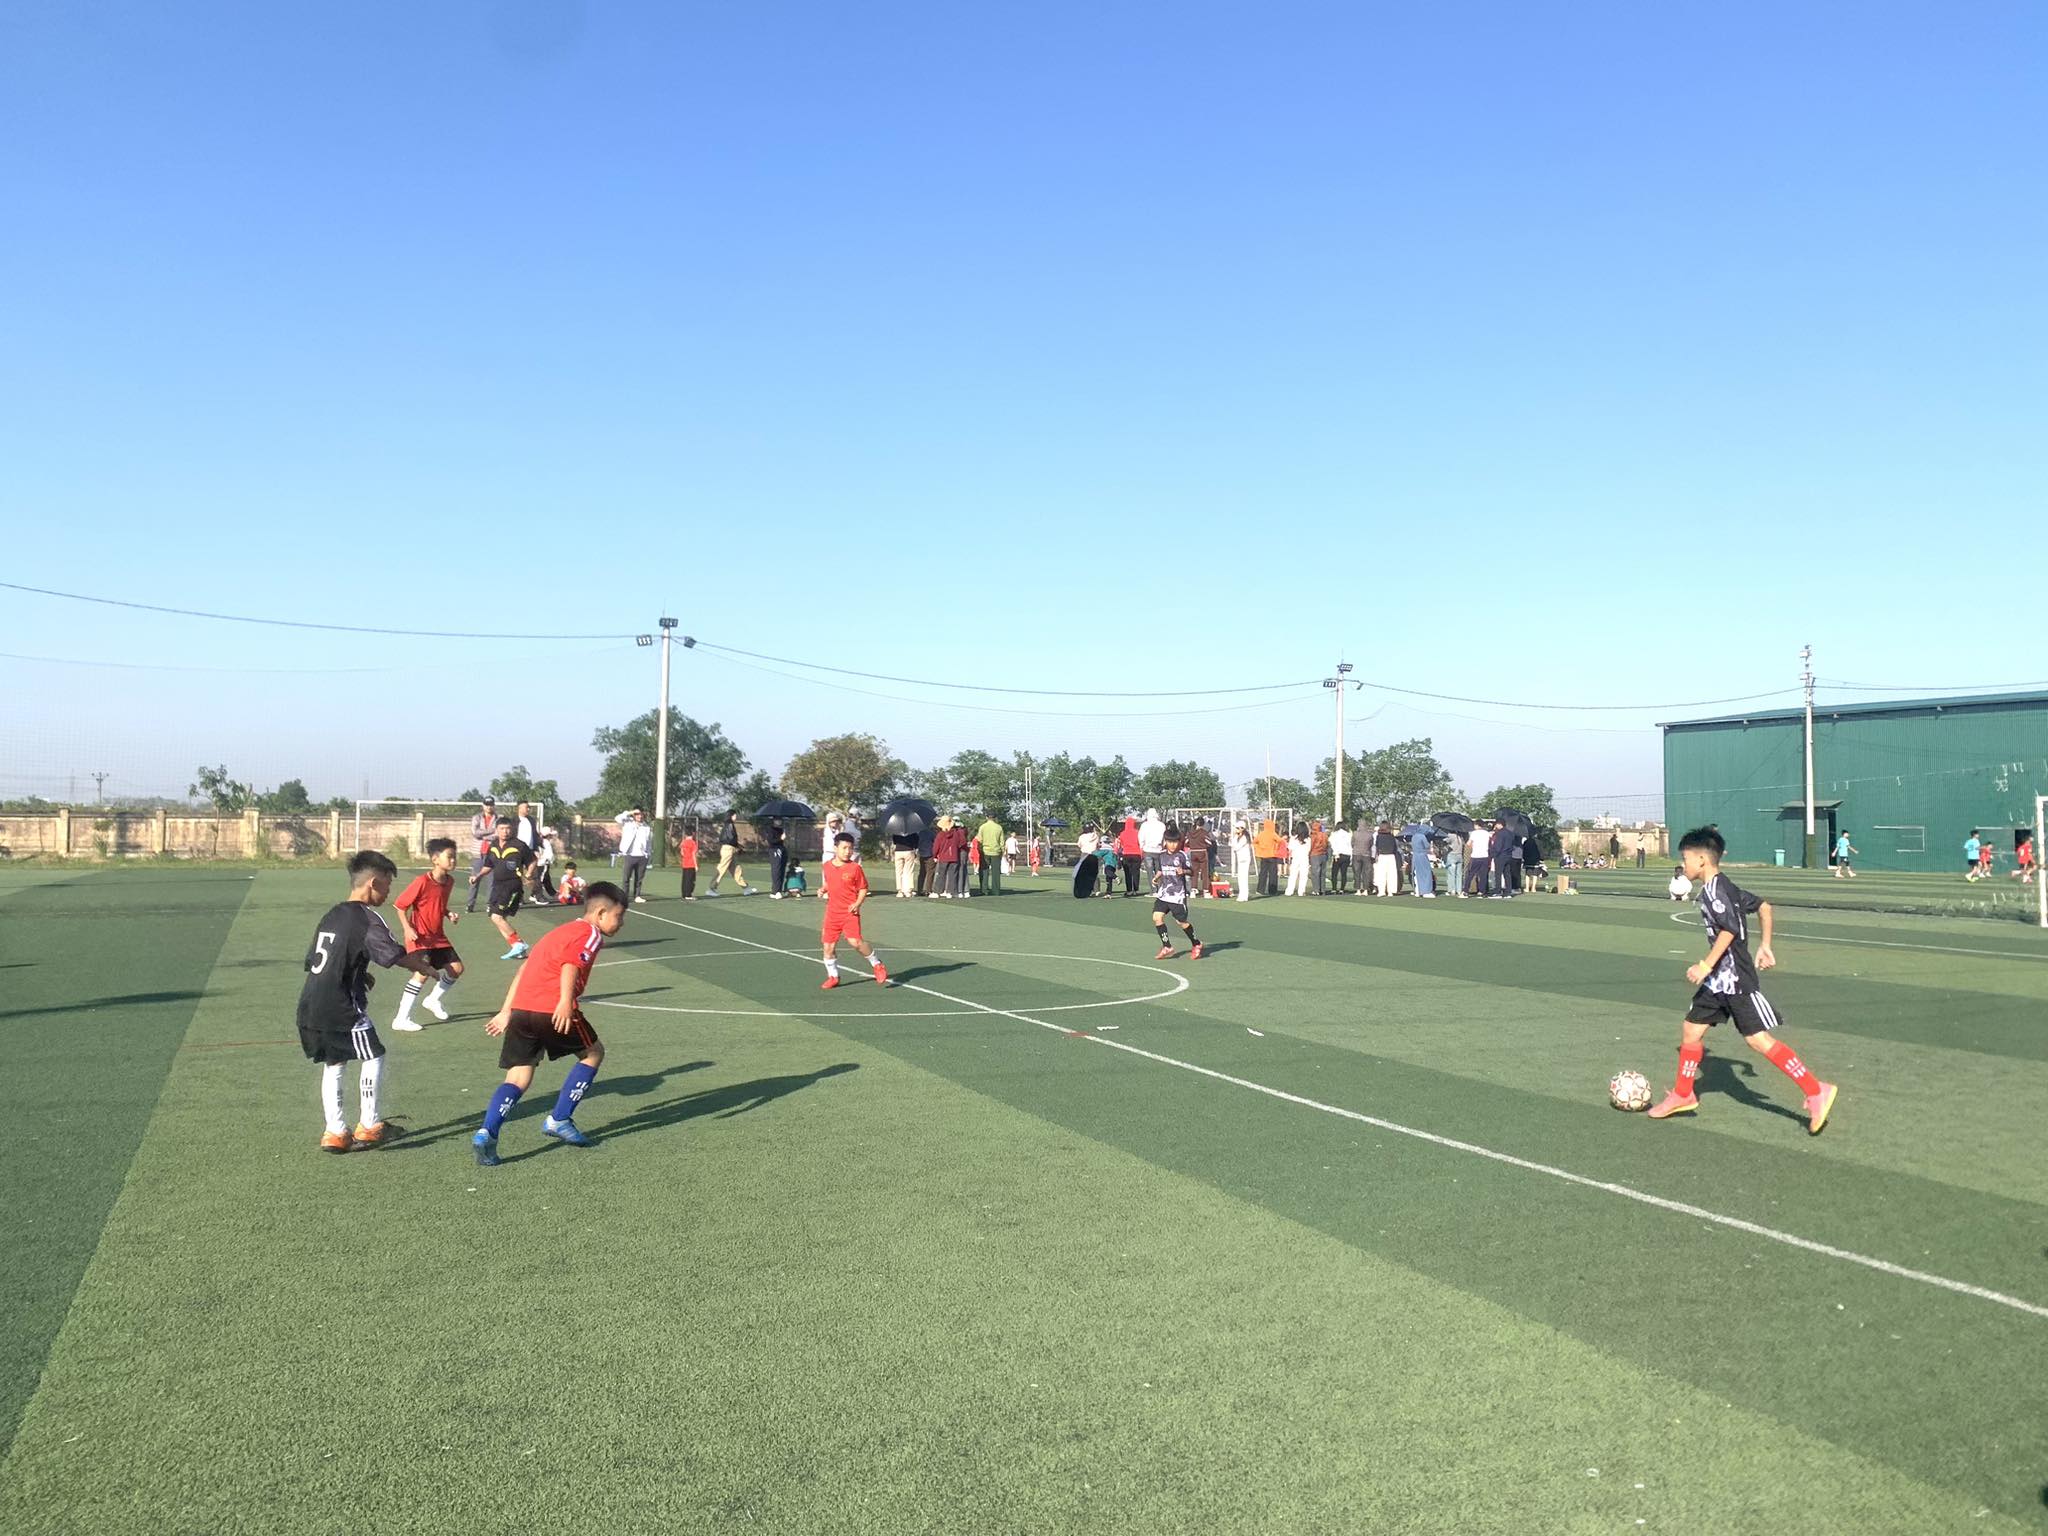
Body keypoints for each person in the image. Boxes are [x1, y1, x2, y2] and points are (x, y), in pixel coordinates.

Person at [1647, 827, 1838, 1134]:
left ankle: (1816, 1091)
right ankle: (1683, 1094)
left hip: (1735, 978)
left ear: (1701, 859)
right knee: (1691, 1030)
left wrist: (1705, 964)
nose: (1683, 865)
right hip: (1718, 981)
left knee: (1757, 1040)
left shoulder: (1715, 891)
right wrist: (1766, 945)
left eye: (1685, 858)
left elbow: (1730, 930)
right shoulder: (1726, 886)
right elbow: (1764, 906)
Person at [472, 881, 629, 1166]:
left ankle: (487, 1132)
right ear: (601, 913)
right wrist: (565, 1002)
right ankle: (559, 1119)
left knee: (517, 1077)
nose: (621, 923)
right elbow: (571, 964)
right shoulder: (591, 934)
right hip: (552, 1008)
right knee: (593, 1053)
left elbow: (524, 968)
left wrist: (506, 1011)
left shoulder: (557, 932)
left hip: (522, 1010)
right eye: (619, 916)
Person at [298, 850, 440, 1152]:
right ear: (373, 883)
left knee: (334, 1061)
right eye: (387, 885)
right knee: (374, 1055)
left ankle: (335, 1132)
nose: (388, 893)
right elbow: (391, 954)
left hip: (311, 1003)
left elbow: (317, 960)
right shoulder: (366, 917)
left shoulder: (332, 914)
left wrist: (361, 975)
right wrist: (422, 967)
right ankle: (370, 1126)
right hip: (341, 1007)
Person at [391, 837, 465, 1031]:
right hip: (420, 937)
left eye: (455, 856)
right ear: (435, 859)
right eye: (449, 857)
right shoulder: (422, 881)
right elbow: (400, 906)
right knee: (422, 972)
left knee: (456, 969)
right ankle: (401, 1018)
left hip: (437, 936)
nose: (453, 860)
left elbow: (438, 904)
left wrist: (448, 913)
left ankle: (432, 1000)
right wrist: (407, 928)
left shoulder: (449, 881)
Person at [820, 832, 890, 989]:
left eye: (850, 848)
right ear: (835, 848)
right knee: (828, 947)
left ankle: (877, 964)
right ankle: (833, 976)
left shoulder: (855, 868)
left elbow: (863, 888)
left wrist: (857, 903)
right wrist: (823, 889)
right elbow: (830, 882)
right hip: (832, 913)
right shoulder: (827, 866)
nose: (848, 851)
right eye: (844, 848)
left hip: (849, 912)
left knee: (855, 942)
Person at [1149, 826, 1205, 959]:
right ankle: (1167, 946)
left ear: (1179, 842)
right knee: (1157, 917)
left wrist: (1183, 871)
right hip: (1164, 894)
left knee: (1181, 922)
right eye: (1170, 842)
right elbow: (1161, 869)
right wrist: (1156, 877)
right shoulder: (1161, 855)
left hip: (1177, 896)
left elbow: (1191, 871)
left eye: (1175, 842)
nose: (1173, 845)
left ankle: (1196, 943)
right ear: (1165, 841)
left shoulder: (1181, 855)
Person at [479, 823, 532, 959]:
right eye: (502, 829)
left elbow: (532, 861)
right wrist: (478, 876)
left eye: (508, 828)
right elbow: (488, 865)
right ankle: (518, 949)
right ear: (497, 830)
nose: (505, 831)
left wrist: (528, 875)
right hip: (497, 886)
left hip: (512, 885)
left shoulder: (519, 845)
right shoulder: (493, 845)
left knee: (496, 917)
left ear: (512, 829)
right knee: (498, 918)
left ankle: (519, 944)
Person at [463, 796, 499, 913]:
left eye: (491, 804)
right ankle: (470, 904)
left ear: (494, 805)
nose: (489, 807)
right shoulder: (477, 817)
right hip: (478, 853)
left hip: (492, 853)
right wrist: (491, 831)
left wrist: (484, 835)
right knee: (475, 879)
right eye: (487, 805)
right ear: (483, 806)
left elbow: (498, 834)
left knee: (491, 881)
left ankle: (489, 904)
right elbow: (475, 833)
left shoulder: (498, 818)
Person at [615, 807, 653, 903]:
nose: (639, 816)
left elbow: (649, 842)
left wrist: (648, 854)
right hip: (630, 855)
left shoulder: (646, 827)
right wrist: (631, 812)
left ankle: (637, 896)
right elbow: (617, 818)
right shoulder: (628, 823)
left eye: (641, 814)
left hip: (642, 856)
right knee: (626, 878)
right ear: (634, 815)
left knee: (639, 878)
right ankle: (625, 896)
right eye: (637, 814)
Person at [710, 812, 753, 896]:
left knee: (736, 868)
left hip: (729, 849)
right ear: (731, 816)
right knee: (722, 868)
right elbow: (731, 839)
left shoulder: (727, 825)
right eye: (734, 815)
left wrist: (737, 846)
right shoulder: (730, 825)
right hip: (728, 849)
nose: (735, 816)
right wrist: (738, 846)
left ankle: (745, 887)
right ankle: (712, 888)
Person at [930, 814, 965, 898]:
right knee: (953, 875)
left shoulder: (940, 834)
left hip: (943, 857)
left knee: (941, 875)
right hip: (954, 856)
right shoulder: (957, 833)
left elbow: (936, 847)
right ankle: (951, 892)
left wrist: (934, 855)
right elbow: (962, 842)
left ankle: (937, 892)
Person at [1404, 822, 1436, 898]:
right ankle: (1426, 891)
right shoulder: (1422, 836)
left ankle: (1418, 891)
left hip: (1415, 856)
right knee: (1426, 873)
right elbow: (1427, 846)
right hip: (1422, 856)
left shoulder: (1414, 836)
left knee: (1416, 873)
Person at [1183, 817, 1214, 897]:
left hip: (1193, 852)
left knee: (1194, 872)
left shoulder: (1190, 833)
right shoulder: (1204, 833)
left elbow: (1186, 842)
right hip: (1202, 852)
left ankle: (1193, 890)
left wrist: (1192, 845)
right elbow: (1209, 842)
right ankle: (1206, 891)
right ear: (1202, 824)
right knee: (1205, 872)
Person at [1253, 818, 1283, 895]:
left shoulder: (1261, 834)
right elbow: (1280, 840)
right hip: (1272, 855)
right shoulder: (1272, 833)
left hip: (1263, 856)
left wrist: (1259, 849)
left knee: (1263, 873)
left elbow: (1254, 842)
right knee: (1273, 874)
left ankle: (1260, 890)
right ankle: (1272, 891)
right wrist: (1276, 847)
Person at [977, 814, 1006, 896]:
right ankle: (996, 891)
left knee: (984, 871)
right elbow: (1002, 841)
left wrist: (979, 849)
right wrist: (1003, 850)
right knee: (996, 873)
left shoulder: (982, 827)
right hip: (996, 852)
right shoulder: (999, 827)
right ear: (995, 818)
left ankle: (984, 890)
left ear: (986, 817)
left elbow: (979, 840)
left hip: (985, 851)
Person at [891, 821, 921, 897]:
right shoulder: (912, 831)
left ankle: (900, 891)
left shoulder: (896, 831)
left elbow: (895, 841)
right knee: (909, 871)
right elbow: (916, 842)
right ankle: (908, 891)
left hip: (898, 851)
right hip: (909, 851)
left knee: (898, 872)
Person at [1116, 815, 1143, 896]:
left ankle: (1129, 890)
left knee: (1128, 873)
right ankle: (1136, 890)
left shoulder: (1122, 833)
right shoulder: (1138, 833)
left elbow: (1121, 844)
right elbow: (1140, 842)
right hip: (1136, 854)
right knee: (1136, 872)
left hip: (1126, 854)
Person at [1138, 809, 1167, 885]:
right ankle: (1160, 888)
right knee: (1159, 871)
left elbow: (1141, 837)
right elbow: (1164, 838)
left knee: (1150, 872)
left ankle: (1153, 889)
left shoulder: (1144, 825)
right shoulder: (1162, 825)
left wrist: (1142, 846)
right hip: (1159, 850)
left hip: (1147, 850)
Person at [1372, 821, 1400, 897]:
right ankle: (1390, 891)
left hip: (1382, 856)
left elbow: (1377, 846)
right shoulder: (1391, 836)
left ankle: (1381, 891)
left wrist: (1376, 856)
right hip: (1391, 856)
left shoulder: (1379, 836)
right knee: (1391, 874)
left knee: (1381, 875)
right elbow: (1395, 848)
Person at [765, 817, 791, 900]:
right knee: (776, 870)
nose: (779, 822)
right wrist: (780, 838)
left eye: (780, 820)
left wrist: (783, 837)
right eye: (777, 820)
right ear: (774, 821)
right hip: (774, 850)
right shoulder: (770, 829)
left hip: (781, 849)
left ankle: (776, 890)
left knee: (782, 870)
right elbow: (771, 841)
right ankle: (776, 891)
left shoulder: (781, 829)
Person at [1464, 821, 1492, 898]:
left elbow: (1468, 843)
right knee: (1483, 875)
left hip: (1476, 856)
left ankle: (1465, 891)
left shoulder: (1474, 833)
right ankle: (1482, 892)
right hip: (1485, 856)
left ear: (1477, 825)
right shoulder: (1486, 833)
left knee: (1470, 874)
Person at [1230, 821, 1253, 901]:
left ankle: (1244, 895)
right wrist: (1235, 836)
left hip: (1245, 859)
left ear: (1242, 828)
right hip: (1240, 859)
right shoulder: (1238, 837)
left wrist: (1235, 837)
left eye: (1237, 828)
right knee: (1240, 877)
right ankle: (1242, 894)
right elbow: (1232, 845)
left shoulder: (1244, 837)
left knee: (1244, 877)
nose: (1236, 830)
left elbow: (1236, 847)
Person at [1308, 820, 1331, 896]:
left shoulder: (1313, 835)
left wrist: (1309, 854)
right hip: (1323, 854)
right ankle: (1323, 890)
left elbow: (1311, 845)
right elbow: (1327, 845)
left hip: (1315, 854)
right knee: (1323, 873)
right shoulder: (1324, 835)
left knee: (1315, 873)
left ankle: (1316, 890)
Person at [1329, 821, 1353, 893]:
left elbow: (1332, 844)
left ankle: (1334, 888)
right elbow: (1350, 845)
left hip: (1338, 855)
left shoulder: (1334, 834)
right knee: (1344, 873)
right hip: (1347, 855)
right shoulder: (1348, 834)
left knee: (1334, 873)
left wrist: (1335, 853)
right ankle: (1342, 889)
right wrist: (1351, 856)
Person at [678, 827, 699, 900]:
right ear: (693, 833)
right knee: (690, 880)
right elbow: (693, 854)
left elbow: (682, 853)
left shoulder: (683, 842)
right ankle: (688, 895)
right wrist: (696, 865)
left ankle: (684, 894)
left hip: (685, 863)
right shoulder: (693, 843)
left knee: (685, 879)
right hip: (691, 864)